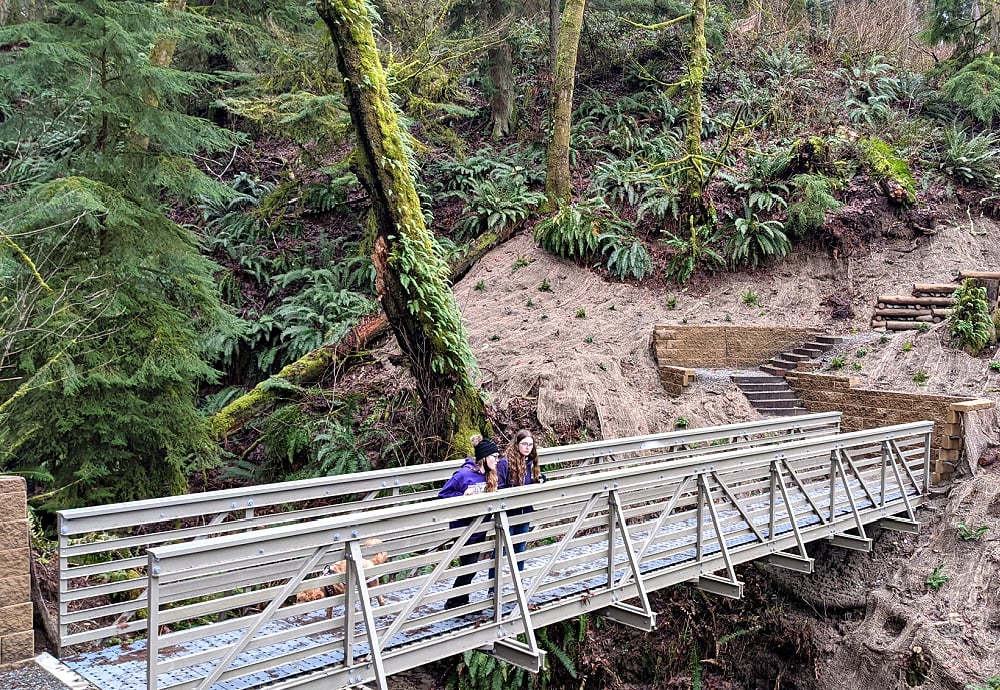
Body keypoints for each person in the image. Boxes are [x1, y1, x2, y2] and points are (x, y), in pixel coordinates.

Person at [437, 434, 504, 610]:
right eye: (494, 456)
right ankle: (454, 603)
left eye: (498, 456)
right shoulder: (463, 475)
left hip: (479, 529)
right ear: (483, 457)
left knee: (471, 568)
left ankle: (460, 601)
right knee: (469, 566)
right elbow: (443, 495)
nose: (497, 460)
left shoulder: (491, 476)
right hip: (463, 530)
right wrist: (461, 496)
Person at [502, 429, 542, 571]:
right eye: (524, 444)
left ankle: (518, 585)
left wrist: (538, 480)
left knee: (520, 548)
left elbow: (529, 482)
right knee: (502, 551)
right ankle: (492, 590)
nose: (527, 447)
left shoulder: (530, 462)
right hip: (508, 514)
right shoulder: (505, 463)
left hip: (525, 512)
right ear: (517, 444)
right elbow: (499, 487)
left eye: (530, 445)